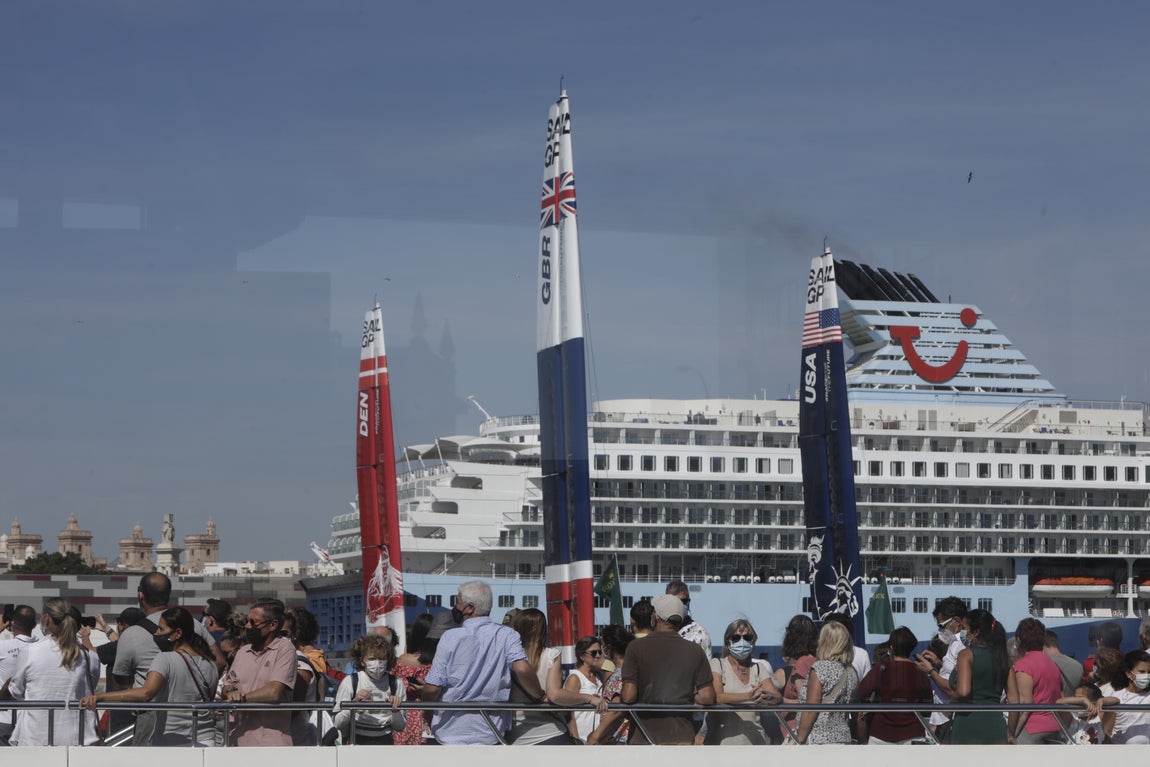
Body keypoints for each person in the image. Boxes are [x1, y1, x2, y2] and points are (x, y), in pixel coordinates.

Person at [421, 580, 547, 745]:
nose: (455, 607)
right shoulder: (507, 635)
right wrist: (540, 696)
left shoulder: (450, 637)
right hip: (491, 731)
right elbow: (522, 669)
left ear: (470, 608)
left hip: (449, 731)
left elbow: (432, 688)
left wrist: (427, 712)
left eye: (458, 603)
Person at [81, 606, 219, 746]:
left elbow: (146, 693)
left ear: (178, 633)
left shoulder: (165, 659)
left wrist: (101, 697)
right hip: (206, 739)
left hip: (172, 740)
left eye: (161, 629)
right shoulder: (210, 662)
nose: (157, 633)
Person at [113, 571, 223, 745]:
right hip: (197, 715)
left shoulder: (131, 634)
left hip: (153, 715)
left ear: (140, 595)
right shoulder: (191, 623)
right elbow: (219, 661)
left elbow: (121, 681)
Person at [0, 598, 101, 746]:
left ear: (46, 619)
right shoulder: (90, 656)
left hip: (36, 737)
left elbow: (17, 691)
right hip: (78, 737)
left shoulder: (31, 652)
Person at [620, 593, 715, 745]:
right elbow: (708, 697)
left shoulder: (635, 647)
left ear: (655, 617)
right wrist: (686, 696)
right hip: (681, 736)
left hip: (644, 736)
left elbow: (629, 696)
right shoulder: (695, 650)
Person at [506, 608, 596, 745]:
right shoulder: (551, 655)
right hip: (551, 733)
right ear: (543, 629)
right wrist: (589, 698)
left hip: (516, 735)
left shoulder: (508, 657)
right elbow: (554, 695)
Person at [219, 600, 297, 746]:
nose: (248, 626)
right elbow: (228, 685)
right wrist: (231, 692)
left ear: (273, 625)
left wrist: (241, 699)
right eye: (247, 621)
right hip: (236, 739)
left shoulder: (285, 649)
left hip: (270, 743)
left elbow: (274, 691)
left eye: (253, 622)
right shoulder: (243, 652)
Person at [705, 618, 780, 745]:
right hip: (723, 743)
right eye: (736, 638)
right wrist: (749, 696)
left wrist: (767, 696)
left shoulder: (758, 668)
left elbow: (777, 697)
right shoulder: (718, 664)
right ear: (728, 643)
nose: (742, 641)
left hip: (755, 742)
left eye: (747, 638)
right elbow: (717, 697)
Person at [858, 626, 932, 744]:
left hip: (880, 733)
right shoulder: (921, 673)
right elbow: (928, 706)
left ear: (891, 648)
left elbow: (860, 694)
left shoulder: (880, 669)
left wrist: (874, 706)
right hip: (912, 733)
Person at [948, 608, 1009, 744]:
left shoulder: (966, 654)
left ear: (976, 632)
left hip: (967, 723)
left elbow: (963, 691)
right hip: (996, 725)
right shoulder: (1003, 658)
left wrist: (948, 707)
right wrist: (1010, 733)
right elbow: (1016, 701)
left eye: (964, 628)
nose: (961, 632)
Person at [332, 633, 406, 744]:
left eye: (381, 659)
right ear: (362, 660)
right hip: (356, 739)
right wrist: (354, 704)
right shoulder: (351, 682)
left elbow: (400, 727)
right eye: (372, 659)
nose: (377, 663)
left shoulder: (396, 683)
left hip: (385, 740)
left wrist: (395, 710)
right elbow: (337, 722)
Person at [794, 621, 859, 745]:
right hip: (843, 738)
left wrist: (799, 739)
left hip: (818, 740)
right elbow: (857, 712)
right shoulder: (852, 672)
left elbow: (811, 709)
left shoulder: (820, 668)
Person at [912, 595, 968, 739]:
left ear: (956, 621)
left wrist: (930, 671)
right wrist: (938, 664)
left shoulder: (962, 646)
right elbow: (954, 674)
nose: (940, 631)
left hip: (949, 718)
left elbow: (954, 688)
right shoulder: (954, 644)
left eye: (942, 626)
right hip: (943, 717)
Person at [1007, 617, 1063, 744]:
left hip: (1031, 729)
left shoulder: (1023, 666)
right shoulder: (1052, 664)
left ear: (1018, 640)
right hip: (1054, 726)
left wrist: (1011, 735)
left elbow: (1024, 707)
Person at [587, 624, 634, 745]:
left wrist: (595, 735)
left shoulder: (619, 675)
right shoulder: (628, 671)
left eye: (602, 645)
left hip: (617, 739)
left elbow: (616, 709)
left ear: (608, 647)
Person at [394, 612, 435, 745]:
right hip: (431, 715)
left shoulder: (404, 660)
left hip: (407, 715)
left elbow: (396, 685)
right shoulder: (439, 661)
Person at [777, 614, 818, 741]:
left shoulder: (802, 663)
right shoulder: (816, 661)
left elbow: (806, 700)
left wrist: (781, 701)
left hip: (796, 730)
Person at [0, 605, 37, 745]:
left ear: (12, 623)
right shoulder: (41, 647)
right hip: (30, 721)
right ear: (34, 624)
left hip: (4, 719)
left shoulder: (3, 646)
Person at [1100, 650, 1150, 744]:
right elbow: (1107, 731)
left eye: (1149, 672)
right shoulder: (1116, 697)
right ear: (1129, 673)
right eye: (1142, 672)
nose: (1146, 676)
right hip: (1123, 752)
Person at [565, 635, 606, 741]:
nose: (597, 656)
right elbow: (569, 712)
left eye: (599, 652)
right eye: (593, 653)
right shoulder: (575, 678)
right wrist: (575, 738)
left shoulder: (599, 676)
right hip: (582, 737)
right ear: (581, 656)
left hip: (597, 737)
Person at [665, 581, 711, 657]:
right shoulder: (657, 629)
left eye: (684, 601)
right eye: (675, 601)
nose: (680, 605)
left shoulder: (700, 634)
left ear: (689, 602)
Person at [1043, 629, 1084, 697]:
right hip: (1074, 706)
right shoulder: (1078, 665)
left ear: (1043, 645)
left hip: (1053, 705)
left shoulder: (1044, 664)